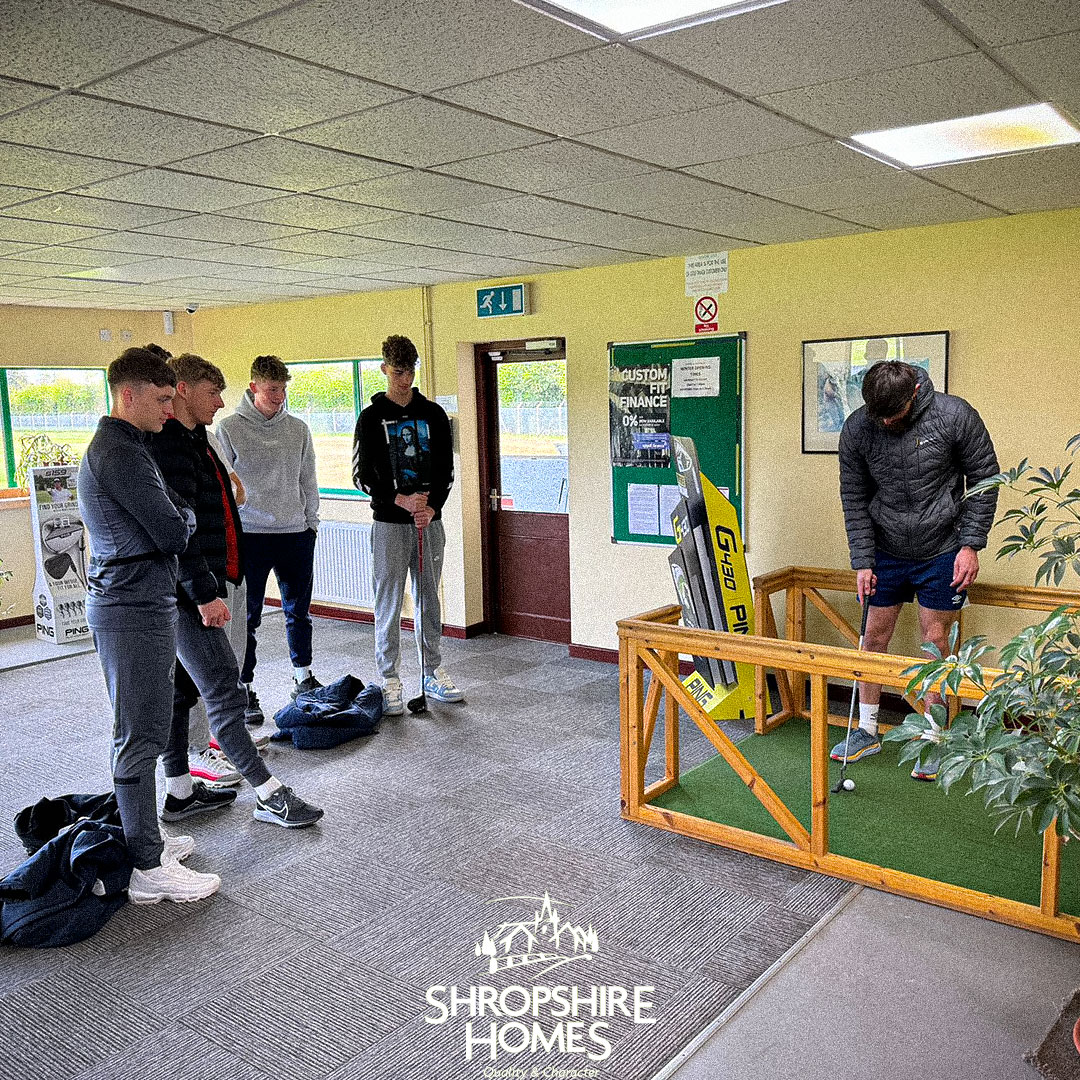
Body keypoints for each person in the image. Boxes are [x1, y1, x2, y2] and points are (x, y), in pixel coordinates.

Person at [152, 353, 323, 829]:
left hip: (215, 577)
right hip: (193, 591)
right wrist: (205, 593)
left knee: (182, 693)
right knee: (226, 694)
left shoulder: (199, 440)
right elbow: (177, 533)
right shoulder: (169, 447)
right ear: (182, 390)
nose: (221, 402)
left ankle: (181, 793)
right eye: (212, 392)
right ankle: (270, 794)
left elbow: (228, 498)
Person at [77, 347, 219, 904]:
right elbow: (173, 528)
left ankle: (148, 839)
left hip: (145, 601)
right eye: (161, 399)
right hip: (129, 608)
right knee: (138, 735)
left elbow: (175, 513)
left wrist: (175, 516)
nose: (169, 409)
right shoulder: (118, 451)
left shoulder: (134, 447)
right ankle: (146, 867)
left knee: (151, 726)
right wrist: (177, 518)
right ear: (126, 394)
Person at [832, 359, 999, 780]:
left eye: (893, 414)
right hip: (885, 550)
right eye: (878, 415)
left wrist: (970, 545)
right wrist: (863, 561)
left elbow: (985, 479)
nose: (885, 421)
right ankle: (866, 727)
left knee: (934, 640)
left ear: (915, 394)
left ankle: (933, 737)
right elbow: (854, 497)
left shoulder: (955, 414)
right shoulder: (857, 428)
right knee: (872, 636)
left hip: (942, 549)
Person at [352, 335, 463, 715]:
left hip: (429, 521)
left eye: (411, 370)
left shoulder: (432, 414)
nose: (405, 378)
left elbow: (447, 471)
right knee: (388, 599)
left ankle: (432, 670)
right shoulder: (370, 418)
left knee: (429, 596)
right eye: (398, 371)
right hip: (389, 523)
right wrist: (398, 499)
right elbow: (362, 476)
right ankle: (389, 678)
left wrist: (430, 507)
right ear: (384, 369)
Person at [216, 354, 322, 722]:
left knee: (299, 612)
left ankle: (303, 677)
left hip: (295, 532)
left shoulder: (298, 429)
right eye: (272, 389)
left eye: (283, 389)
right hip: (252, 536)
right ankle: (244, 688)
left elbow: (308, 480)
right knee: (248, 616)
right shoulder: (229, 429)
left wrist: (311, 523)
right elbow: (226, 486)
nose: (279, 397)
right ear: (253, 387)